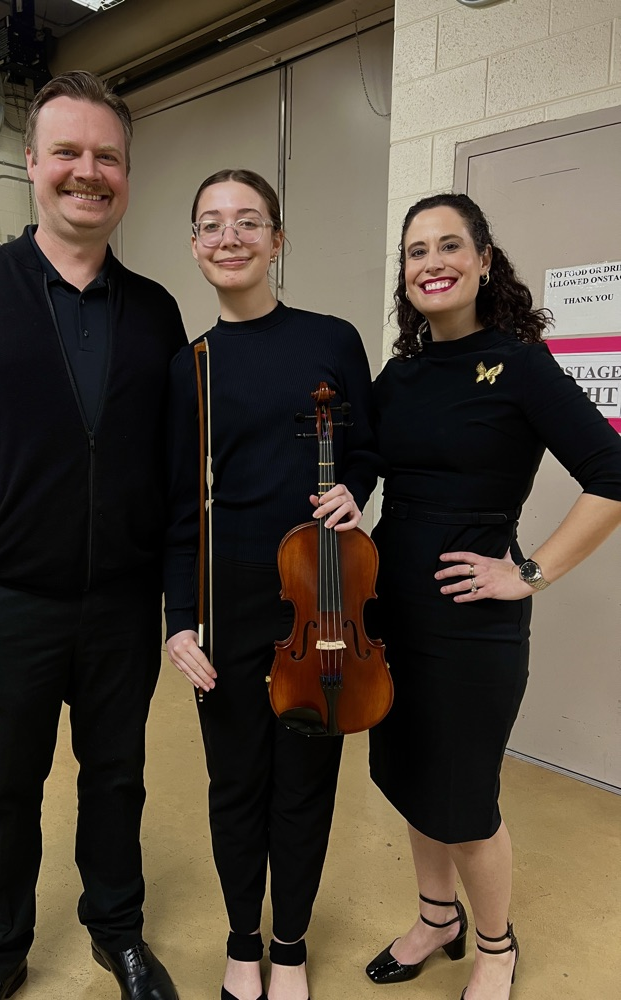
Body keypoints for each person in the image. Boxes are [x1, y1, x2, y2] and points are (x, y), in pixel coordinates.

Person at [0, 71, 186, 1000]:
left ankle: (118, 931)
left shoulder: (154, 312)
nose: (86, 172)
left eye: (107, 157)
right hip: (4, 603)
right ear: (30, 165)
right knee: (5, 790)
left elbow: (174, 464)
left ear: (126, 177)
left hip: (121, 608)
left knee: (117, 777)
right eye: (67, 152)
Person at [363, 193, 621, 1000]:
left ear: (482, 261)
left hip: (474, 624)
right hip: (391, 606)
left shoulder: (521, 364)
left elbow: (611, 476)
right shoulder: (398, 375)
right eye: (416, 251)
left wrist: (529, 570)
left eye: (449, 246)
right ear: (405, 276)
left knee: (465, 794)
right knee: (409, 773)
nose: (431, 262)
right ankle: (436, 917)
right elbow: (363, 470)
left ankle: (496, 946)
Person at [164, 169, 378, 1000]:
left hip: (321, 594)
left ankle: (289, 943)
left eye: (249, 222)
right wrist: (181, 619)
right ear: (194, 246)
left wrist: (356, 489)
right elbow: (182, 506)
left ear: (277, 240)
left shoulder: (332, 339)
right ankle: (242, 941)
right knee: (236, 779)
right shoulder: (191, 366)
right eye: (212, 224)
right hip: (227, 599)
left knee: (306, 780)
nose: (231, 237)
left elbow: (366, 450)